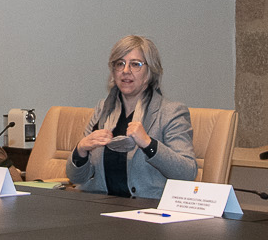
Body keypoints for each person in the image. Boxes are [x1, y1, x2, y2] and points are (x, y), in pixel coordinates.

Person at [65, 35, 197, 197]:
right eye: (120, 64)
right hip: (98, 206)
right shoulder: (102, 110)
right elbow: (76, 177)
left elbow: (187, 173)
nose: (126, 71)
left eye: (135, 64)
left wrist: (149, 144)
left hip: (145, 211)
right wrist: (81, 149)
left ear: (150, 71)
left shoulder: (170, 112)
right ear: (113, 72)